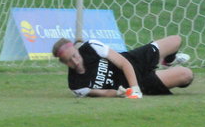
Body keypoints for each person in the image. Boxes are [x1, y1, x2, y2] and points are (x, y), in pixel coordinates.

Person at [52, 35, 193, 99]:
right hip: (143, 83)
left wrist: (135, 89)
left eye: (74, 56)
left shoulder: (91, 47)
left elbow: (123, 63)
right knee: (187, 75)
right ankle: (162, 71)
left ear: (76, 49)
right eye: (69, 61)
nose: (75, 62)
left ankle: (168, 61)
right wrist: (123, 93)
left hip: (134, 60)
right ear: (64, 63)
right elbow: (103, 93)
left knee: (176, 40)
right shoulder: (76, 85)